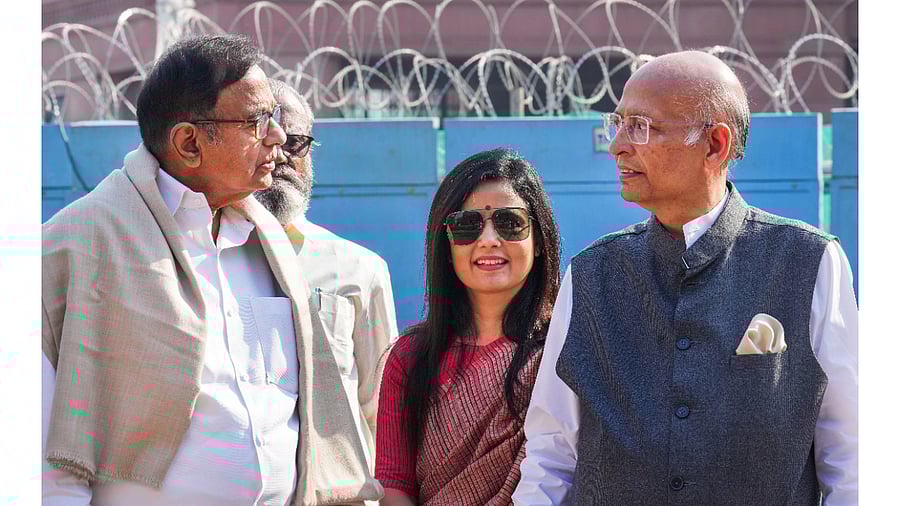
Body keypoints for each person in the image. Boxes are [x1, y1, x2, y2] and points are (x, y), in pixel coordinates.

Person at [41, 34, 381, 505]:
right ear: (188, 142)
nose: (278, 138)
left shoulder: (267, 244)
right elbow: (48, 458)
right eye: (258, 121)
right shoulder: (77, 247)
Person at [512, 50, 858, 505]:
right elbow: (551, 455)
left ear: (715, 144)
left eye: (641, 126)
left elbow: (851, 455)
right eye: (617, 122)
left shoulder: (810, 262)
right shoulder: (592, 274)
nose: (618, 145)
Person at [375, 148, 562, 505]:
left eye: (510, 223)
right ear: (445, 246)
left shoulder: (562, 350)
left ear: (538, 241)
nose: (489, 239)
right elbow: (394, 482)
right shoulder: (412, 357)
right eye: (466, 225)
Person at [255, 79, 399, 479]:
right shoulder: (203, 259)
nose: (280, 155)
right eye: (264, 139)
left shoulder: (359, 269)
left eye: (295, 142)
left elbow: (382, 411)